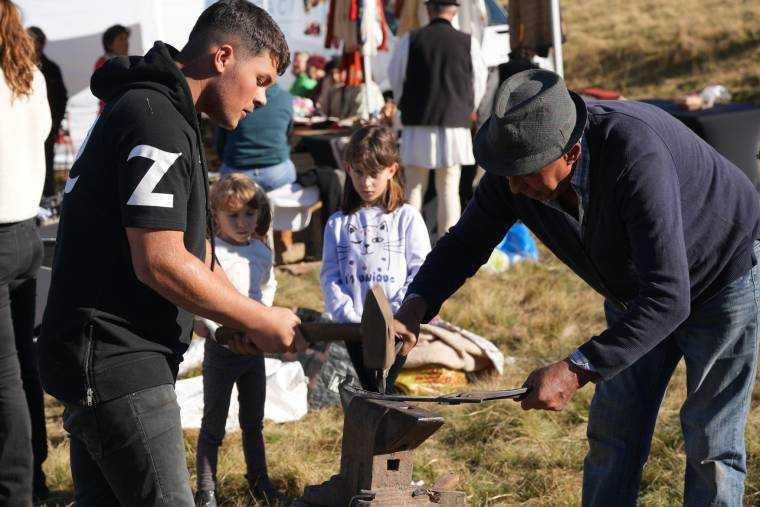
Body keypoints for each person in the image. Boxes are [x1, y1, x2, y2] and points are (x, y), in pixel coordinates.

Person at [394, 69, 760, 505]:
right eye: (508, 174)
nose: (514, 188)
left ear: (571, 153)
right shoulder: (516, 167)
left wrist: (576, 367)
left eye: (526, 175)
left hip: (721, 273)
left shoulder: (633, 154)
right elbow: (466, 241)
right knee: (614, 433)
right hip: (638, 291)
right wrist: (417, 304)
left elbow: (668, 296)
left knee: (710, 441)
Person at [38, 2, 302, 505]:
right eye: (262, 79)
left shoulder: (168, 112)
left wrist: (231, 322)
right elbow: (158, 259)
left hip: (108, 355)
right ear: (224, 56)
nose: (264, 99)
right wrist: (257, 316)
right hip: (117, 359)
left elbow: (196, 255)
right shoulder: (154, 117)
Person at [193, 174, 284, 507]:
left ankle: (259, 480)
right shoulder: (212, 253)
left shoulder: (261, 251)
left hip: (253, 351)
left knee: (253, 421)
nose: (243, 223)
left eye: (249, 213)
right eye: (233, 216)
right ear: (216, 215)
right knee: (213, 422)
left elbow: (268, 285)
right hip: (222, 350)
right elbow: (201, 297)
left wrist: (263, 318)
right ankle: (206, 488)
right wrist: (216, 329)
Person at [321, 125, 430, 392]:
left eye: (374, 174)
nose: (366, 182)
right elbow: (330, 275)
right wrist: (347, 316)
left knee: (381, 390)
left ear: (392, 170)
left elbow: (421, 271)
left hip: (395, 326)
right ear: (348, 169)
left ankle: (386, 429)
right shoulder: (337, 223)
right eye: (359, 173)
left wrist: (396, 314)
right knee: (371, 390)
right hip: (353, 327)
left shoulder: (407, 218)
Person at [0, 1, 51, 503]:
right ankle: (31, 475)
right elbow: (39, 136)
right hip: (23, 233)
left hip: (5, 235)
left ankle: (16, 492)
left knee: (5, 376)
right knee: (20, 364)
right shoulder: (27, 75)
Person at [387, 0, 487, 240]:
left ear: (428, 9)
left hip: (418, 123)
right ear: (454, 11)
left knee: (414, 186)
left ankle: (409, 242)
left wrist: (408, 104)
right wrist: (464, 108)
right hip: (454, 124)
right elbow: (479, 83)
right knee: (449, 187)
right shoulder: (468, 42)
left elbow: (395, 78)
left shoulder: (410, 40)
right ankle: (446, 245)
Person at [215, 82, 296, 191]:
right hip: (276, 172)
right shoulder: (286, 97)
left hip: (236, 172)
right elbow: (288, 135)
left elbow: (220, 141)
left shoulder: (232, 96)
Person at [28, 26, 68, 198]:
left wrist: (55, 122)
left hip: (47, 126)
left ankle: (48, 197)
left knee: (46, 162)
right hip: (24, 128)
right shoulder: (16, 66)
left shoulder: (51, 68)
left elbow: (61, 97)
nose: (35, 46)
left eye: (37, 43)